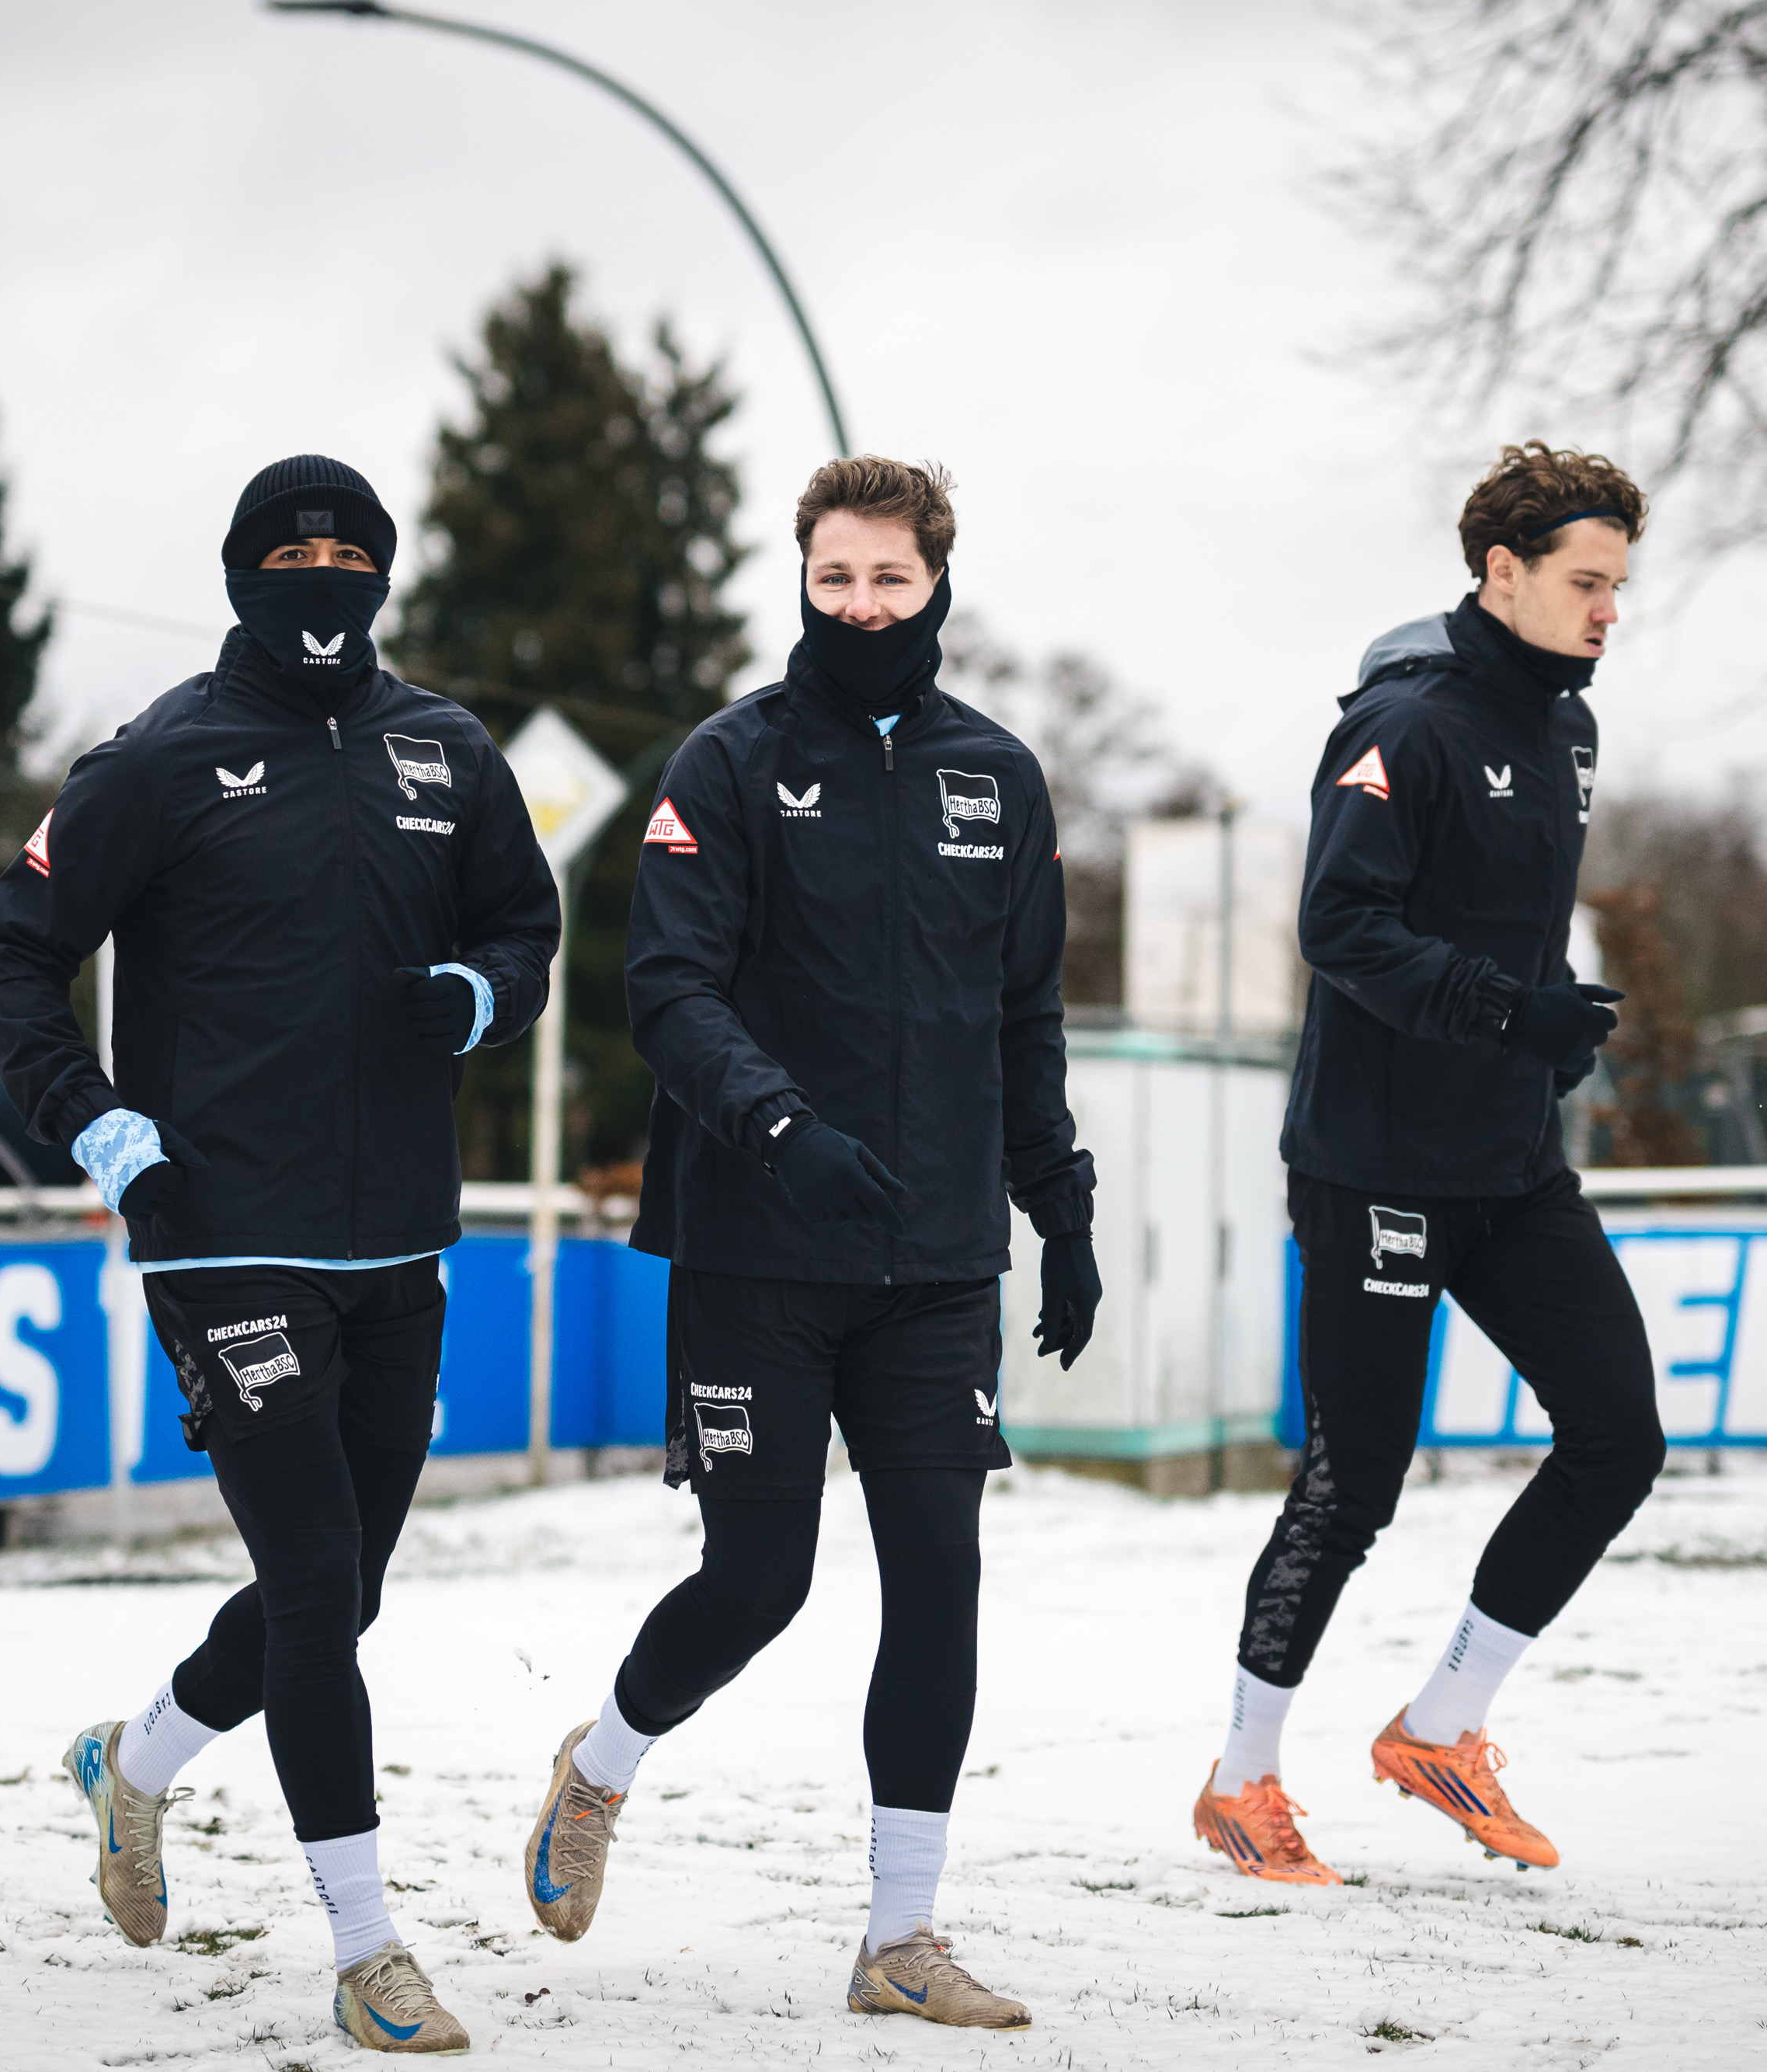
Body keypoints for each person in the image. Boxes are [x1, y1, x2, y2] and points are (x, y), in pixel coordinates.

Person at [0, 453, 559, 2055]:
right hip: (218, 1231)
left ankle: (134, 1764)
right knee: (310, 1583)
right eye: (290, 557)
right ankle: (368, 1949)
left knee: (341, 1594)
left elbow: (528, 928)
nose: (321, 579)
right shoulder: (158, 758)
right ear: (240, 577)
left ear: (383, 575)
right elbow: (13, 958)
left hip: (398, 1237)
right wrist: (103, 1128)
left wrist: (479, 997)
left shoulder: (447, 748)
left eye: (347, 555)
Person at [513, 458, 1099, 2032]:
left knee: (939, 1576)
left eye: (889, 578)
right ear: (803, 578)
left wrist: (1058, 1203)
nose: (862, 604)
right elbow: (667, 991)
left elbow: (1024, 1013)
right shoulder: (729, 763)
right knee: (760, 1578)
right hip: (757, 1248)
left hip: (935, 1263)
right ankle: (601, 1764)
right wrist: (781, 1127)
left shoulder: (999, 780)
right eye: (836, 576)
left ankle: (900, 1935)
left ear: (937, 583)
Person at [1188, 442, 1668, 1887]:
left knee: (1618, 1437)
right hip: (1375, 1166)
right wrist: (1506, 1011)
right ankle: (1241, 1780)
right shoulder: (1405, 726)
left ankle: (1442, 1729)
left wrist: (1552, 1023)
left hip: (1511, 1166)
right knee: (1356, 1484)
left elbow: (1512, 931)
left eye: (1620, 586)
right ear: (1503, 573)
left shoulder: (1571, 729)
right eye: (1587, 583)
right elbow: (1341, 926)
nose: (1609, 610)